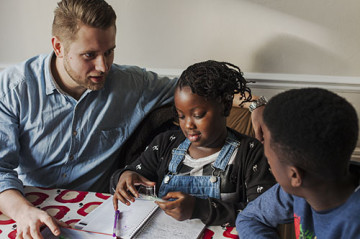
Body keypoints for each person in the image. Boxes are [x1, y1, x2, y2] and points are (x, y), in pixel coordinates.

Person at [0, 0, 177, 238]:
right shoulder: (14, 87)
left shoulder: (130, 84)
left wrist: (246, 102)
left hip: (99, 217)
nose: (103, 66)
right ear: (58, 47)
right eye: (89, 55)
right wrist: (23, 213)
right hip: (26, 207)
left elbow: (196, 88)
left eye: (109, 52)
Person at [111, 60, 276, 226]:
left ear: (225, 107)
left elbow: (264, 213)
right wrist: (124, 177)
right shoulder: (164, 144)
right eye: (181, 116)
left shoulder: (250, 153)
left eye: (198, 115)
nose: (188, 125)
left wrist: (200, 208)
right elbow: (129, 174)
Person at [236, 88, 360, 238]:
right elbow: (250, 218)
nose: (268, 163)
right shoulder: (301, 190)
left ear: (294, 175)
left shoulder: (352, 226)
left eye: (268, 158)